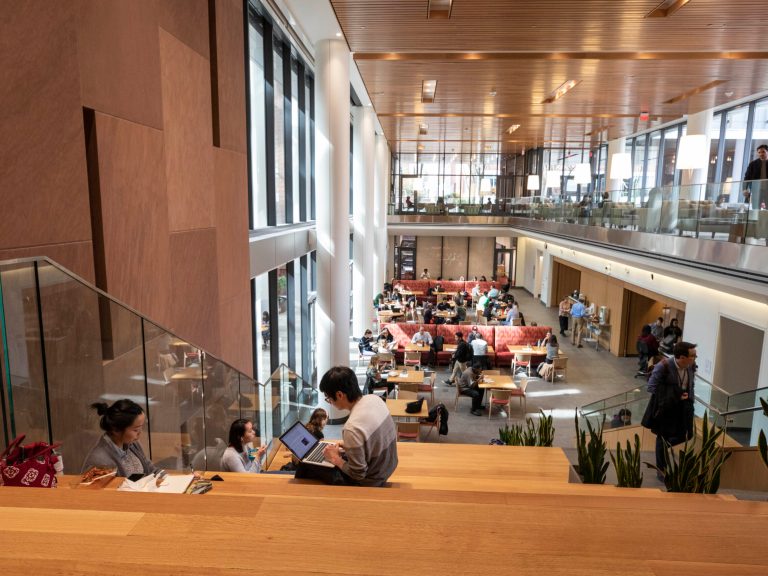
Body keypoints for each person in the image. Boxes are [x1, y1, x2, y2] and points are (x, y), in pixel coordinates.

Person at [297, 366, 397, 487]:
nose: (329, 402)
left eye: (328, 398)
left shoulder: (352, 427)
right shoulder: (375, 399)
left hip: (372, 479)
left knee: (306, 463)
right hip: (388, 466)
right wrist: (347, 444)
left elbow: (358, 474)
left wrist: (335, 459)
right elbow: (372, 439)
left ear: (339, 395)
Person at [645, 342, 697, 472]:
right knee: (662, 436)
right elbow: (651, 387)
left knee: (687, 435)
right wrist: (673, 395)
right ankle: (661, 469)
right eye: (693, 355)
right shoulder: (664, 366)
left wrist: (690, 399)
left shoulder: (691, 366)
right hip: (667, 407)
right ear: (681, 357)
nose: (695, 358)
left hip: (684, 406)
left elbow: (691, 384)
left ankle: (662, 448)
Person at [82, 399, 157, 477]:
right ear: (116, 430)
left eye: (141, 428)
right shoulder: (100, 460)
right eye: (136, 430)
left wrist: (166, 479)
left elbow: (151, 469)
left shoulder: (132, 443)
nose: (140, 433)